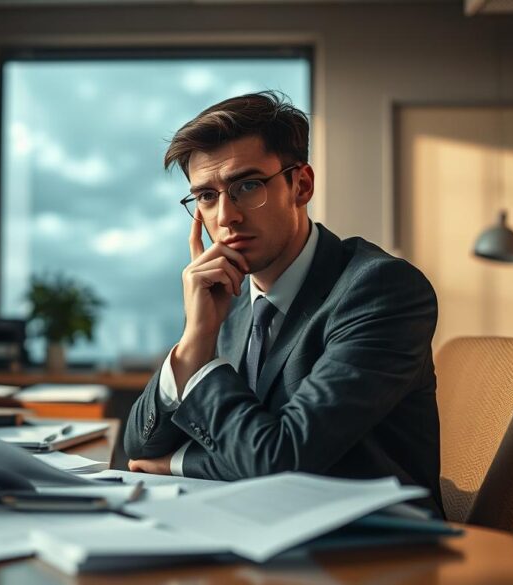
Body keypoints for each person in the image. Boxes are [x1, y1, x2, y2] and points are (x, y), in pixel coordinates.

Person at [123, 91, 443, 516]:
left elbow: (283, 458)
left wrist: (179, 464)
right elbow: (139, 446)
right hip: (258, 525)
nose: (226, 216)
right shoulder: (227, 300)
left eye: (247, 186)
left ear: (301, 185)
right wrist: (195, 338)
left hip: (369, 546)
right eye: (206, 197)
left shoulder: (381, 290)